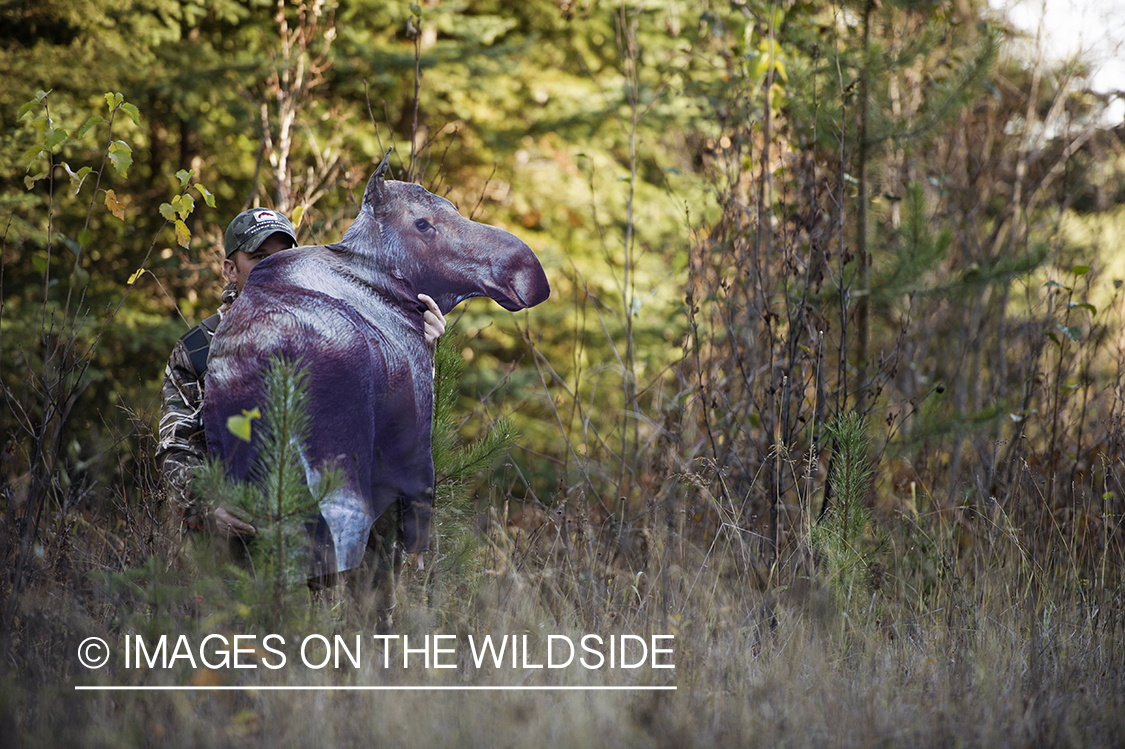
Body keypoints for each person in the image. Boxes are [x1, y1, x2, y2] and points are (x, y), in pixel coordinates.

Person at [155, 208, 446, 542]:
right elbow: (176, 445)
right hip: (236, 546)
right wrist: (209, 507)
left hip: (323, 546)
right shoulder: (197, 351)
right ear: (230, 270)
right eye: (259, 257)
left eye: (285, 256)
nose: (275, 267)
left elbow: (390, 425)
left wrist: (417, 349)